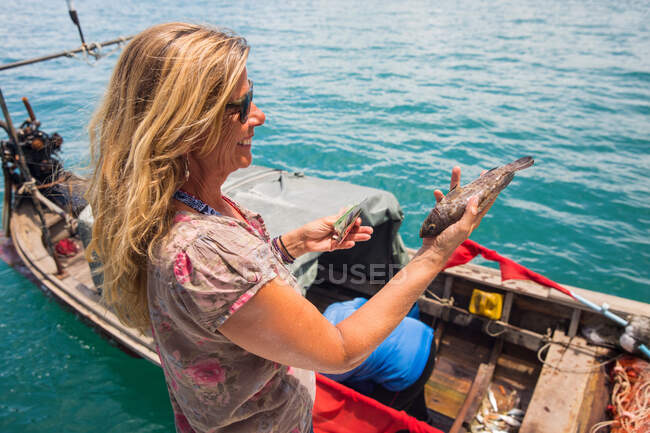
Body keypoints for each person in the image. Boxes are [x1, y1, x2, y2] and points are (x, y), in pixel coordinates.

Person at [86, 22, 492, 433]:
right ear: (190, 125)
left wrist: (290, 245)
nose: (259, 116)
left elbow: (225, 297)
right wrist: (434, 254)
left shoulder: (182, 205)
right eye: (242, 107)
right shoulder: (208, 252)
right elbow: (340, 351)